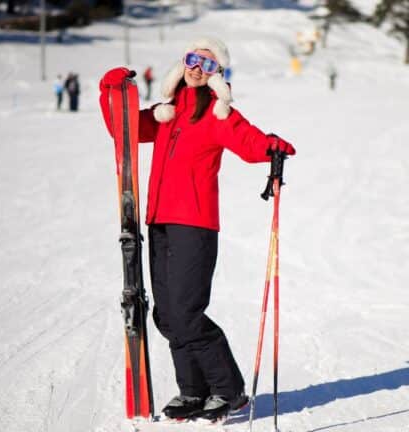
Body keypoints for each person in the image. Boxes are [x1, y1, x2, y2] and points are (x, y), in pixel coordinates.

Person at [99, 37, 296, 422]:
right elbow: (123, 129)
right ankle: (193, 391)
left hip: (196, 225)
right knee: (167, 316)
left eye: (207, 65)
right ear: (182, 63)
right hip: (159, 222)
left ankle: (228, 389)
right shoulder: (165, 114)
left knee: (187, 312)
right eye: (192, 59)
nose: (196, 68)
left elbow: (249, 141)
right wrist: (111, 91)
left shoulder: (217, 116)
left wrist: (273, 147)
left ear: (216, 74)